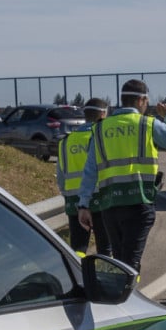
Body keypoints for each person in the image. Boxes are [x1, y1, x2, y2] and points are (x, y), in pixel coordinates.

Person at [76, 79, 166, 280]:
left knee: (121, 261)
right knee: (130, 264)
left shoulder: (101, 129)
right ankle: (126, 302)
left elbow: (90, 171)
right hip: (139, 203)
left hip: (110, 206)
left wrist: (83, 204)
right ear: (142, 100)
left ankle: (121, 299)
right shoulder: (148, 124)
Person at [56, 98, 107, 255]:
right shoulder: (101, 137)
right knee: (105, 248)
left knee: (78, 248)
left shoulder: (65, 142)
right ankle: (104, 278)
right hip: (101, 198)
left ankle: (80, 276)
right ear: (103, 114)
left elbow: (61, 178)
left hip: (74, 201)